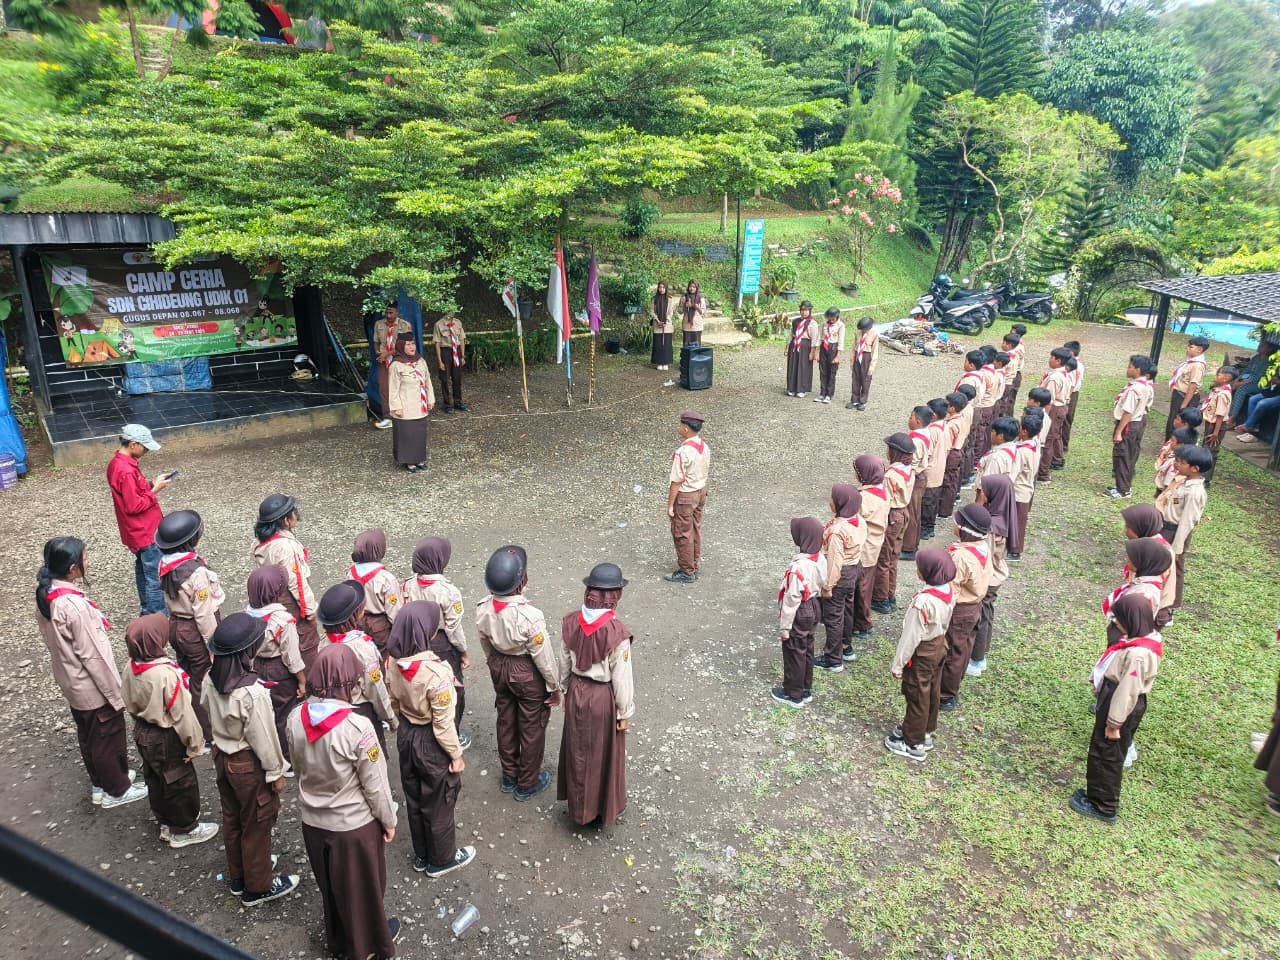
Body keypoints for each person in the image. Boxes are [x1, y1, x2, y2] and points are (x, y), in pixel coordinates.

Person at [288, 644, 401, 958]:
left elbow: (297, 766)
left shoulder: (296, 717)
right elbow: (375, 785)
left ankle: (338, 940)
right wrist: (389, 820)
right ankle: (369, 946)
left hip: (313, 822)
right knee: (364, 889)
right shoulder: (357, 727)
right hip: (353, 826)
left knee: (331, 886)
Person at [36, 537, 146, 810]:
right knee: (107, 736)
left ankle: (101, 782)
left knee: (88, 735)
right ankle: (117, 790)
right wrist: (116, 693)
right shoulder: (74, 607)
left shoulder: (47, 595)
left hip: (70, 679)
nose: (89, 561)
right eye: (85, 558)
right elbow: (94, 656)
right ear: (72, 568)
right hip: (91, 686)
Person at [203, 613, 297, 906]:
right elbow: (264, 738)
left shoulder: (210, 679)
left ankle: (238, 876)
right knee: (257, 821)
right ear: (246, 653)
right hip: (247, 763)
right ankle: (258, 887)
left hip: (222, 756)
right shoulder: (251, 693)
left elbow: (205, 708)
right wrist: (276, 773)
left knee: (232, 817)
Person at [386, 602, 475, 875]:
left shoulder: (392, 662)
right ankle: (442, 859)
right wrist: (456, 755)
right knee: (439, 800)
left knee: (414, 795)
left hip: (407, 733)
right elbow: (443, 725)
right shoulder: (437, 672)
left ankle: (422, 854)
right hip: (430, 739)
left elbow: (394, 702)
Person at [122, 613, 218, 847]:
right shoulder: (165, 674)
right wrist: (194, 745)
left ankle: (164, 820)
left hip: (142, 729)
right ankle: (184, 829)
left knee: (154, 777)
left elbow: (126, 697)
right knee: (179, 780)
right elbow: (182, 714)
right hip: (166, 735)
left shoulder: (130, 667)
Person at [476, 545, 562, 801]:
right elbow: (543, 657)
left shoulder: (483, 607)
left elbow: (485, 642)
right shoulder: (530, 615)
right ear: (522, 581)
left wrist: (494, 663)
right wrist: (554, 687)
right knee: (532, 726)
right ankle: (527, 782)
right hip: (525, 671)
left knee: (506, 720)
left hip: (499, 665)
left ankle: (509, 775)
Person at [1070, 592, 1162, 824]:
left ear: (1130, 619)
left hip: (1120, 706)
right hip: (1116, 699)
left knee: (1107, 753)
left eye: (1117, 617)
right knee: (1102, 750)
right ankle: (1095, 795)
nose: (1114, 621)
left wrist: (1114, 723)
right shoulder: (1140, 638)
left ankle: (1104, 806)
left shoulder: (1138, 654)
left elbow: (1127, 691)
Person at [557, 563, 635, 826]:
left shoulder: (571, 622)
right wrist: (624, 712)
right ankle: (599, 808)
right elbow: (621, 677)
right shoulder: (617, 634)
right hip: (602, 698)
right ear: (614, 596)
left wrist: (564, 690)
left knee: (577, 748)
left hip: (576, 691)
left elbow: (564, 661)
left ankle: (578, 807)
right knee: (601, 753)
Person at [156, 509, 222, 746]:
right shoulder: (197, 572)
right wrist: (213, 646)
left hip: (175, 624)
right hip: (193, 628)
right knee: (202, 678)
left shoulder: (165, 564)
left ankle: (187, 722)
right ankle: (207, 733)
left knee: (186, 674)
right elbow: (203, 614)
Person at [885, 549, 957, 762]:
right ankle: (924, 731)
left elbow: (910, 638)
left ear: (928, 573)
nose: (917, 570)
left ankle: (913, 744)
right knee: (932, 690)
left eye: (920, 567)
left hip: (923, 651)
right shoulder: (949, 591)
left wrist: (898, 665)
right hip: (939, 644)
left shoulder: (922, 603)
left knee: (916, 694)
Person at [402, 536, 471, 748]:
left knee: (421, 685)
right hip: (441, 644)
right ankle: (452, 736)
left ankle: (427, 728)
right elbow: (453, 628)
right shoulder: (448, 592)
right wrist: (463, 651)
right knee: (452, 689)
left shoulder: (407, 585)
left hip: (414, 642)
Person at [317, 581, 398, 749]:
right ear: (354, 616)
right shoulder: (363, 649)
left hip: (332, 713)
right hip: (360, 712)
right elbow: (375, 689)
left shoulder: (323, 644)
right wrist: (390, 718)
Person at [107, 424, 171, 616]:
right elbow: (134, 506)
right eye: (145, 446)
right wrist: (155, 490)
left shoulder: (118, 464)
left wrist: (150, 484)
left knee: (144, 571)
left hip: (136, 531)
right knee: (155, 576)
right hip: (145, 531)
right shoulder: (126, 470)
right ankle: (158, 615)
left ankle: (147, 610)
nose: (147, 451)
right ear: (133, 444)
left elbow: (132, 493)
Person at [246, 564, 306, 762]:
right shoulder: (283, 620)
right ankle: (287, 758)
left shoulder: (247, 614)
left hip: (256, 667)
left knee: (265, 713)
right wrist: (302, 680)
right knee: (285, 713)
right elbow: (292, 657)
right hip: (279, 669)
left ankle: (268, 755)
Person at [253, 493, 320, 671]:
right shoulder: (286, 547)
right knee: (304, 645)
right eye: (294, 513)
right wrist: (309, 610)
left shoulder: (261, 541)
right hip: (289, 601)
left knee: (280, 640)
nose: (297, 515)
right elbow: (297, 583)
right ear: (285, 520)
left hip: (270, 598)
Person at [939, 504, 992, 712]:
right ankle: (953, 684)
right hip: (974, 607)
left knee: (953, 651)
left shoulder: (960, 556)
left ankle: (946, 694)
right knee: (963, 647)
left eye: (957, 522)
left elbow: (950, 588)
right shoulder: (982, 546)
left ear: (964, 529)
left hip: (960, 609)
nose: (954, 525)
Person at [774, 518, 826, 708]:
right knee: (807, 647)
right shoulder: (820, 558)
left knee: (794, 650)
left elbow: (791, 601)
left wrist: (785, 628)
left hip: (800, 609)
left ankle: (792, 693)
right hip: (814, 604)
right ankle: (805, 688)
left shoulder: (798, 567)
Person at [969, 475, 1017, 677]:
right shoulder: (1004, 515)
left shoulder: (991, 526)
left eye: (984, 491)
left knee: (981, 617)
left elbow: (983, 557)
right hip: (996, 575)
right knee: (987, 613)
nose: (981, 493)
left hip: (987, 579)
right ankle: (981, 655)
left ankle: (976, 658)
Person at [1157, 445, 1211, 618]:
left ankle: (1169, 607)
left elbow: (1187, 522)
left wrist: (1177, 548)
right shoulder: (1183, 482)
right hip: (1166, 528)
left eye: (1181, 462)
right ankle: (1159, 598)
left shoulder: (1195, 492)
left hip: (1176, 533)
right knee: (1161, 565)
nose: (1176, 464)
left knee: (1174, 568)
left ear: (1195, 468)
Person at [816, 484, 865, 671]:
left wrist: (828, 586)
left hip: (841, 574)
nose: (830, 501)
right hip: (854, 569)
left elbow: (834, 562)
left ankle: (833, 659)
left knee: (833, 616)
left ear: (841, 504)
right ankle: (846, 647)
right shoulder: (858, 520)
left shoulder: (837, 532)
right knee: (847, 609)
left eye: (833, 499)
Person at [870, 434, 915, 614]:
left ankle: (880, 599)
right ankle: (890, 594)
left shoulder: (890, 475)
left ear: (895, 452)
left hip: (892, 515)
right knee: (894, 557)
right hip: (903, 513)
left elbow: (885, 499)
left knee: (884, 557)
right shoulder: (909, 470)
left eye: (889, 448)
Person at [666, 410, 711, 584]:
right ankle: (694, 564)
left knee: (682, 532)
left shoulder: (683, 452)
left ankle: (686, 571)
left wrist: (671, 505)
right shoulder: (704, 446)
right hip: (701, 491)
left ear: (685, 428)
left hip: (686, 496)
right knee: (695, 528)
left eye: (680, 425)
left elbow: (676, 481)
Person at [1101, 538, 1170, 647]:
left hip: (1123, 637)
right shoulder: (1142, 582)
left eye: (1132, 557)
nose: (1127, 559)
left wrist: (1115, 621)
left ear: (1143, 562)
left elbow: (1134, 622)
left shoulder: (1145, 592)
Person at [851, 455, 890, 641]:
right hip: (875, 543)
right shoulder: (883, 492)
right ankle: (862, 620)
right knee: (867, 584)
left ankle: (863, 623)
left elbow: (854, 520)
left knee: (861, 588)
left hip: (864, 547)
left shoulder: (863, 498)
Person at [1107, 355, 1156, 500]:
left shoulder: (1135, 389)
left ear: (1138, 370)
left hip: (1129, 424)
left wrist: (1118, 431)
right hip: (1138, 422)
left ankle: (1123, 490)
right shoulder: (1146, 385)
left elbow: (1128, 412)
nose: (1127, 369)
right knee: (1130, 454)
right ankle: (1123, 486)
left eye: (1130, 367)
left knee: (1123, 455)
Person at [1120, 505, 1177, 629]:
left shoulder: (1155, 551)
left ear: (1142, 526)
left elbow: (1150, 588)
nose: (1125, 530)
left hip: (1151, 610)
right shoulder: (1148, 544)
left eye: (1128, 527)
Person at [349, 529, 401, 659]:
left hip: (357, 620)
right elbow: (394, 611)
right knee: (383, 655)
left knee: (361, 654)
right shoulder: (386, 579)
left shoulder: (351, 573)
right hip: (379, 625)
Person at [387, 333, 434, 473]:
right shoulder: (396, 365)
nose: (412, 347)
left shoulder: (421, 361)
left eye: (413, 344)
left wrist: (430, 399)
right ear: (401, 346)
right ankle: (408, 461)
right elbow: (393, 389)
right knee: (407, 433)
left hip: (420, 405)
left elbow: (427, 381)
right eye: (408, 344)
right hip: (405, 406)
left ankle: (419, 458)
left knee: (419, 433)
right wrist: (396, 407)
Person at [900, 406, 935, 561]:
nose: (909, 420)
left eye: (911, 417)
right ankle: (911, 544)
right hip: (918, 476)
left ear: (918, 421)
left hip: (914, 478)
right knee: (914, 511)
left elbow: (912, 463)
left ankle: (909, 548)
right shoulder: (926, 433)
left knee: (911, 512)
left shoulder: (916, 440)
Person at [1009, 411, 1043, 561]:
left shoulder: (1022, 451)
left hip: (1019, 490)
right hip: (1027, 487)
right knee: (1019, 519)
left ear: (1024, 432)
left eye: (1020, 427)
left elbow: (1013, 473)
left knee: (1017, 521)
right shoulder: (1034, 443)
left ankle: (1015, 550)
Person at [1036, 348, 1074, 482]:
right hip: (1061, 408)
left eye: (1051, 357)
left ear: (1058, 361)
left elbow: (1049, 400)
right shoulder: (1065, 374)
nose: (1049, 360)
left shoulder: (1055, 378)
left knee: (1046, 441)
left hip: (1053, 409)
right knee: (1052, 438)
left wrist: (1043, 418)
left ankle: (1043, 474)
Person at [372, 303, 412, 429]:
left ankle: (403, 415)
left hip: (398, 360)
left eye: (391, 313)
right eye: (386, 312)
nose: (388, 315)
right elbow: (375, 341)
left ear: (397, 312)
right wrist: (378, 352)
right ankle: (388, 418)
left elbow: (405, 345)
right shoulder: (378, 324)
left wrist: (387, 354)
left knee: (401, 387)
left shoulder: (405, 325)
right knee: (384, 389)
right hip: (383, 361)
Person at [1165, 335, 1210, 440]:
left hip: (1185, 397)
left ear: (1199, 349)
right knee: (1172, 421)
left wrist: (1183, 406)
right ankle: (1169, 443)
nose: (1188, 348)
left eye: (1191, 347)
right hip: (1179, 395)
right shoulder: (1191, 362)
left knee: (1178, 423)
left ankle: (1175, 444)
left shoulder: (1197, 365)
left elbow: (1192, 386)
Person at [919, 397, 951, 541]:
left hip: (930, 471)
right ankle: (930, 526)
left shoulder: (932, 431)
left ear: (934, 415)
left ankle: (925, 528)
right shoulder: (945, 426)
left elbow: (927, 452)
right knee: (933, 500)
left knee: (926, 501)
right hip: (940, 468)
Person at [936, 392, 970, 521]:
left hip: (952, 452)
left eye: (947, 405)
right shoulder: (961, 418)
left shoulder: (951, 425)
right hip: (959, 449)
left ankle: (944, 510)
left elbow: (948, 443)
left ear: (952, 408)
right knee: (952, 479)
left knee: (947, 481)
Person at [1199, 365, 1237, 478]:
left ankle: (1205, 478)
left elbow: (1220, 415)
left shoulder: (1222, 394)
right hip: (1212, 424)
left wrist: (1215, 433)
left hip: (1216, 426)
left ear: (1226, 378)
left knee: (1210, 451)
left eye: (1218, 375)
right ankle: (1202, 474)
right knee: (1206, 448)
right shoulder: (1220, 389)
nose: (1215, 377)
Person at [1227, 340, 1277, 423]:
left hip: (1260, 384)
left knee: (1242, 389)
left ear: (1269, 349)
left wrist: (1240, 383)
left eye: (1262, 346)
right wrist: (1237, 379)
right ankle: (1226, 410)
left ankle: (1233, 417)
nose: (1259, 346)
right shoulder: (1256, 357)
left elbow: (1258, 377)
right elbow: (1247, 370)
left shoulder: (1269, 361)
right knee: (1229, 384)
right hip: (1248, 379)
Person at [432, 314, 468, 413]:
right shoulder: (438, 324)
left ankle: (458, 401)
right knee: (445, 379)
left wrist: (462, 356)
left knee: (457, 378)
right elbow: (437, 343)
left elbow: (462, 339)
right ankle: (447, 404)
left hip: (457, 351)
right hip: (445, 352)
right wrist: (440, 361)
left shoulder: (458, 322)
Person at [1155, 420, 1199, 496]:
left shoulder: (1176, 464)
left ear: (1180, 445)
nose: (1170, 443)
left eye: (1172, 440)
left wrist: (1163, 497)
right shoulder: (1174, 456)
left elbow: (1169, 488)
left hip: (1166, 492)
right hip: (1163, 488)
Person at [785, 302, 817, 398]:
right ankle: (791, 388)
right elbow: (791, 335)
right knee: (793, 365)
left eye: (806, 310)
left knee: (803, 367)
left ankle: (802, 389)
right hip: (794, 345)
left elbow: (814, 339)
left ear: (810, 311)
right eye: (802, 310)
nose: (804, 312)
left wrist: (812, 352)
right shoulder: (795, 321)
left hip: (805, 346)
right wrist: (787, 347)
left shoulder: (813, 323)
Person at [813, 307, 845, 404]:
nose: (830, 320)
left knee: (832, 372)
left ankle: (829, 394)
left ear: (837, 317)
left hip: (833, 348)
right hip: (824, 347)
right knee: (823, 371)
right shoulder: (824, 324)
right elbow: (819, 338)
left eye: (832, 318)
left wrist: (838, 356)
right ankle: (822, 393)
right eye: (829, 318)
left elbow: (841, 341)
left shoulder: (840, 326)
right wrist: (817, 352)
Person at [847, 316, 880, 410]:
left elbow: (875, 351)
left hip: (866, 357)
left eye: (864, 329)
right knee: (855, 379)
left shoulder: (874, 335)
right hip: (858, 356)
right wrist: (852, 360)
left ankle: (863, 401)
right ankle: (855, 400)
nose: (863, 331)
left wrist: (872, 367)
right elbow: (854, 346)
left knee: (865, 381)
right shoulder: (858, 333)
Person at [976, 416, 1019, 486]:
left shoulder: (996, 458)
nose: (991, 433)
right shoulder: (1015, 448)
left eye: (993, 431)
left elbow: (986, 485)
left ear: (1000, 436)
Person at [1061, 340, 1085, 455]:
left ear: (1071, 352)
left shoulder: (1073, 366)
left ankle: (1063, 445)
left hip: (1070, 393)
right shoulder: (1078, 364)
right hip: (1072, 393)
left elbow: (1071, 384)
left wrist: (1067, 398)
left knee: (1066, 419)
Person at [650, 282, 677, 371]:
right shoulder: (654, 299)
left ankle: (666, 362)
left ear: (666, 289)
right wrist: (658, 320)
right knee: (658, 344)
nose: (661, 289)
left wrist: (666, 321)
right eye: (660, 287)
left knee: (666, 344)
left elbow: (670, 312)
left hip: (667, 325)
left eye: (663, 287)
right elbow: (652, 311)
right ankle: (658, 362)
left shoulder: (670, 299)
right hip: (657, 324)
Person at [1000, 332, 1023, 414]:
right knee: (1005, 402)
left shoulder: (1006, 358)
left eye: (1003, 343)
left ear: (1009, 345)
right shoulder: (1016, 354)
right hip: (1010, 382)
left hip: (1004, 382)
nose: (1002, 344)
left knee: (1001, 404)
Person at [679, 280, 706, 346]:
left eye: (694, 287)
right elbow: (679, 311)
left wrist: (697, 308)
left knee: (696, 347)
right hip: (687, 325)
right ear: (688, 287)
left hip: (697, 325)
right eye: (690, 286)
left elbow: (703, 312)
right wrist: (685, 306)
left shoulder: (701, 298)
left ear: (696, 288)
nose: (691, 288)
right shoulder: (684, 298)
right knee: (686, 346)